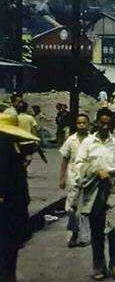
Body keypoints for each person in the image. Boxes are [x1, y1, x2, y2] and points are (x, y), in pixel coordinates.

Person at [75, 108, 115, 280]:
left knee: (114, 229)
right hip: (94, 189)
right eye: (102, 123)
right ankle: (99, 266)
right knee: (97, 230)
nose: (105, 126)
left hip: (112, 188)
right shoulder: (88, 142)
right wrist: (96, 170)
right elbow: (79, 164)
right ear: (97, 123)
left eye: (108, 123)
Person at [0, 113, 40, 282]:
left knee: (9, 252)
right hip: (7, 208)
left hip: (13, 206)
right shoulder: (7, 147)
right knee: (7, 252)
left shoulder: (12, 146)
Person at [59, 114, 90, 248]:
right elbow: (65, 159)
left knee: (86, 209)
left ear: (88, 124)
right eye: (79, 123)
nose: (81, 125)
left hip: (89, 178)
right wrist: (62, 178)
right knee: (71, 208)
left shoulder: (92, 140)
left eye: (84, 123)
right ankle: (73, 234)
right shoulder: (71, 140)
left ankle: (83, 236)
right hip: (73, 178)